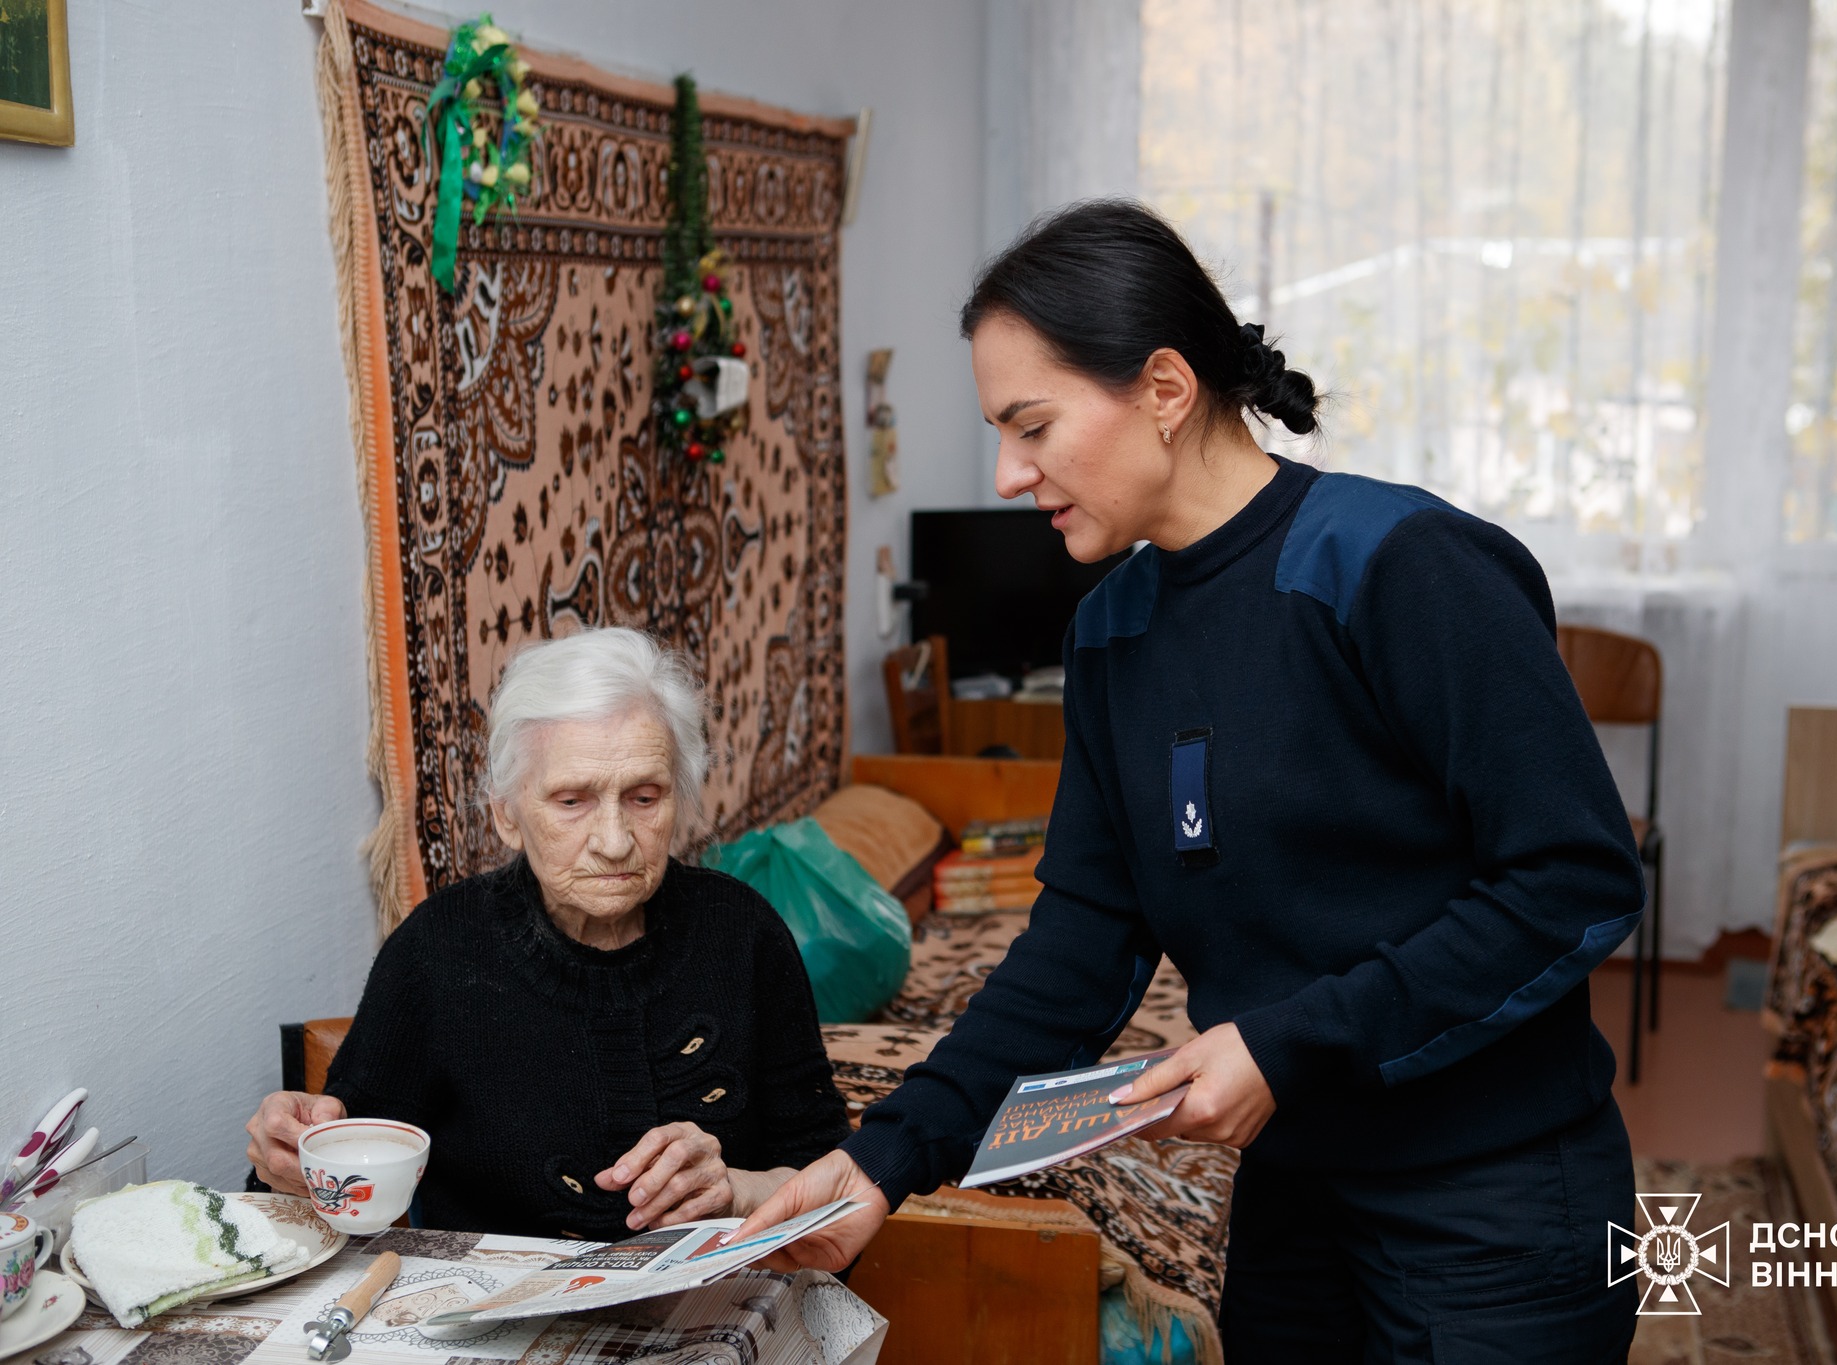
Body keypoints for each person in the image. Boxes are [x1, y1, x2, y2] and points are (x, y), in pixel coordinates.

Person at [727, 200, 1645, 1362]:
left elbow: (1569, 879)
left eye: (1032, 427)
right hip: (1296, 1200)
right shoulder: (1113, 631)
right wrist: (881, 1160)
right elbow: (1078, 948)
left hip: (1494, 1203)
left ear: (1163, 388)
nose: (1009, 476)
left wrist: (1285, 1045)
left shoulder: (1397, 567)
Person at [245, 628, 848, 1241]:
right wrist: (288, 1162)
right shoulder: (440, 951)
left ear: (681, 802)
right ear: (507, 815)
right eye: (571, 801)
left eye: (645, 797)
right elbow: (333, 1189)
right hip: (497, 1327)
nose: (614, 842)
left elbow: (834, 1186)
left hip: (724, 1316)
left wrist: (737, 1192)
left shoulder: (743, 934)